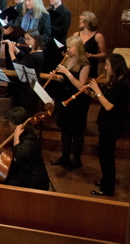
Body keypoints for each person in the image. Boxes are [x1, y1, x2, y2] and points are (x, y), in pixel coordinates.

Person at [87, 54, 130, 197]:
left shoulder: (122, 85)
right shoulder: (114, 81)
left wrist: (98, 91)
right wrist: (91, 93)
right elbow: (105, 99)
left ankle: (108, 189)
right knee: (103, 153)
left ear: (115, 66)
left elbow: (108, 106)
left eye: (107, 65)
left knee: (107, 155)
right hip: (106, 123)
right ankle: (105, 180)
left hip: (112, 124)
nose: (105, 68)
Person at [51, 35, 91, 170]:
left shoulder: (85, 64)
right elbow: (65, 80)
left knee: (77, 131)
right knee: (65, 129)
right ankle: (65, 156)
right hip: (64, 97)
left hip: (77, 101)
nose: (67, 50)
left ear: (77, 48)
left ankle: (76, 159)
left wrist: (67, 73)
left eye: (70, 47)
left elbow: (80, 85)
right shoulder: (67, 59)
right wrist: (56, 77)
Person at [4, 107, 50, 190]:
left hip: (32, 178)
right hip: (23, 171)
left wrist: (16, 137)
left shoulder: (29, 138)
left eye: (10, 121)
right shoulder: (23, 133)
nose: (9, 123)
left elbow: (18, 156)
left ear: (16, 123)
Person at [7, 29, 45, 112]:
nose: (26, 41)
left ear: (36, 39)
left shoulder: (35, 56)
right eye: (25, 38)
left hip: (29, 88)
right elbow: (24, 56)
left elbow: (18, 66)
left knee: (25, 111)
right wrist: (15, 48)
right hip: (27, 86)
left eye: (28, 39)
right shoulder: (33, 51)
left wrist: (11, 52)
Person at [73, 11, 107, 78]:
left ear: (89, 20)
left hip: (91, 65)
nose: (80, 21)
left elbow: (104, 54)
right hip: (77, 65)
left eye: (82, 19)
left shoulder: (98, 36)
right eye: (80, 19)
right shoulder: (76, 34)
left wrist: (92, 56)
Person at [45, 0, 72, 72]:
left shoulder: (66, 13)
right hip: (47, 44)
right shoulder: (48, 10)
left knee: (53, 70)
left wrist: (48, 26)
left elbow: (63, 30)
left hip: (57, 46)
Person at [2, 0, 27, 71]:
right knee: (8, 65)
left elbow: (18, 24)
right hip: (9, 38)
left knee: (15, 66)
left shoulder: (24, 9)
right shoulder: (13, 8)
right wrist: (4, 29)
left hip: (17, 40)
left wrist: (7, 23)